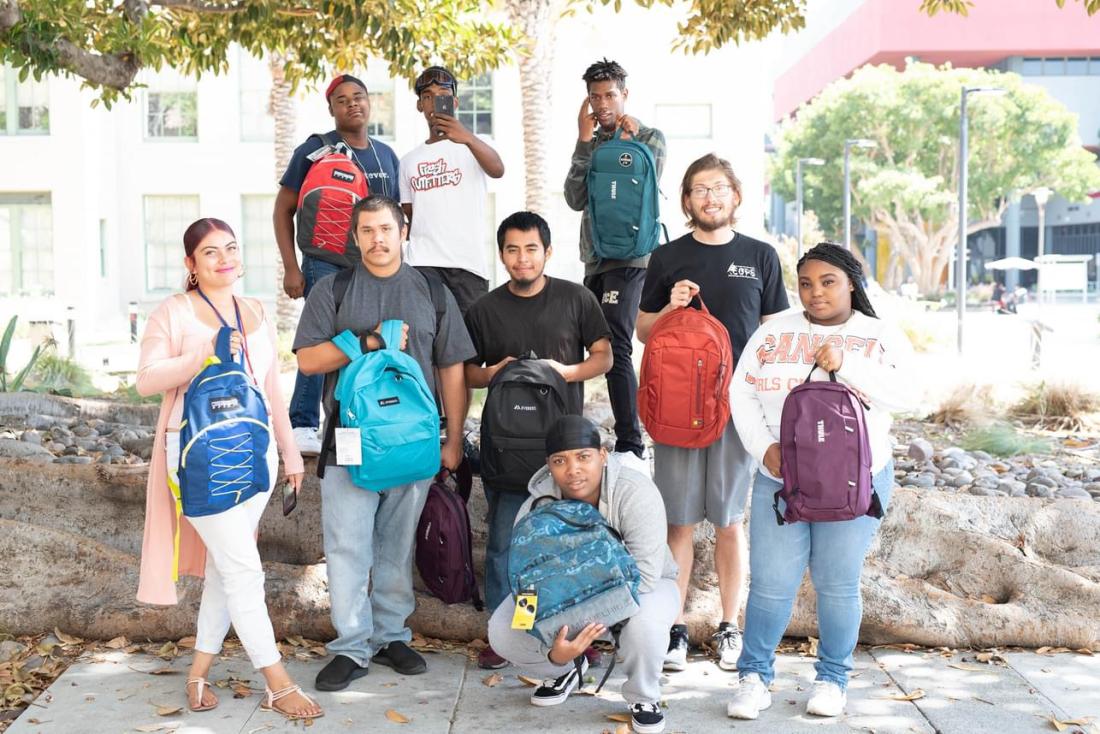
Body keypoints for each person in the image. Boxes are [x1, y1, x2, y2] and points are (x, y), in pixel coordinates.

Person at [135, 218, 322, 721]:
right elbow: (146, 380)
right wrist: (202, 354)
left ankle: (197, 674)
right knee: (244, 569)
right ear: (191, 264)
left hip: (254, 451)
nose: (225, 259)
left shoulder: (256, 310)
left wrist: (288, 454)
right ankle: (277, 682)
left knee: (226, 568)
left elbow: (271, 390)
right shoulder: (173, 313)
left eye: (232, 249)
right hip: (196, 454)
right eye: (211, 252)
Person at [293, 195, 474, 691]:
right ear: (355, 237)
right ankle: (351, 646)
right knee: (348, 548)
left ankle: (392, 635)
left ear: (403, 231)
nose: (377, 239)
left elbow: (452, 368)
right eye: (367, 230)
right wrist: (365, 341)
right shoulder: (333, 289)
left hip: (414, 444)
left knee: (396, 548)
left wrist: (453, 438)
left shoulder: (432, 291)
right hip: (349, 444)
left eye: (386, 229)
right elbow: (308, 361)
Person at [726, 243, 913, 720]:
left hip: (855, 484)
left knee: (837, 585)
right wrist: (762, 447)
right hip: (781, 478)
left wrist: (845, 364)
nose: (815, 293)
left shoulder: (878, 335)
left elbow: (910, 394)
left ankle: (832, 679)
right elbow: (741, 392)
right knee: (770, 584)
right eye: (805, 283)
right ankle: (754, 676)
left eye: (828, 281)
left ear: (852, 281)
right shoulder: (774, 333)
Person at [636, 154, 789, 673]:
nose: (710, 197)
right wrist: (670, 309)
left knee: (728, 521)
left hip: (736, 407)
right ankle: (674, 628)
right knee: (677, 522)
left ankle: (730, 627)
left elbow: (773, 336)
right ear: (686, 201)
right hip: (678, 405)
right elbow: (641, 330)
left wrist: (771, 406)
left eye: (719, 188)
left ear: (736, 196)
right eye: (700, 189)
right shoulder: (667, 258)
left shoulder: (761, 256)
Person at [463, 211, 613, 669]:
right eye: (512, 249)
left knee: (570, 546)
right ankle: (512, 633)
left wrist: (565, 372)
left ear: (548, 252)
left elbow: (604, 356)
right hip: (506, 450)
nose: (521, 259)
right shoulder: (484, 310)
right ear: (502, 254)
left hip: (565, 454)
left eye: (531, 249)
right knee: (508, 548)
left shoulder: (576, 299)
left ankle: (574, 632)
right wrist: (495, 371)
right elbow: (468, 372)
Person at [488, 416, 679, 734]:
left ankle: (643, 697)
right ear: (549, 465)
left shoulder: (635, 493)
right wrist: (553, 650)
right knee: (504, 630)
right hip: (563, 598)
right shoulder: (535, 508)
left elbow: (645, 577)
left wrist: (586, 622)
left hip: (646, 587)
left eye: (583, 456)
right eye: (560, 461)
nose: (573, 469)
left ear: (603, 456)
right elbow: (526, 588)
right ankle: (563, 671)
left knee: (644, 624)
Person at [274, 74, 402, 457]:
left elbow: (395, 217)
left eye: (359, 97)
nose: (352, 104)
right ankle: (302, 424)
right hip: (323, 262)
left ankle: (365, 417)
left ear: (370, 102)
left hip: (374, 265)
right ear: (331, 109)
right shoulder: (315, 150)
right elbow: (283, 209)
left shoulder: (386, 155)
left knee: (372, 338)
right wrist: (291, 267)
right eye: (342, 100)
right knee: (319, 340)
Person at [564, 58, 667, 460]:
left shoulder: (651, 138)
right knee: (583, 343)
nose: (603, 103)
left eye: (609, 94)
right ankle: (572, 433)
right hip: (594, 259)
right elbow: (575, 199)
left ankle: (630, 443)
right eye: (595, 97)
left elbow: (649, 182)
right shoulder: (590, 143)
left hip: (633, 260)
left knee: (616, 344)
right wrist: (582, 141)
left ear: (625, 94)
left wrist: (633, 141)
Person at [400, 66, 505, 316]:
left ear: (455, 102)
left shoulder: (474, 146)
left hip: (467, 265)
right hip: (422, 264)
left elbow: (498, 169)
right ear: (419, 106)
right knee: (425, 341)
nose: (435, 102)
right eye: (427, 96)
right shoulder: (408, 161)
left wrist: (466, 137)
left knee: (470, 347)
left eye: (443, 95)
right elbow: (410, 215)